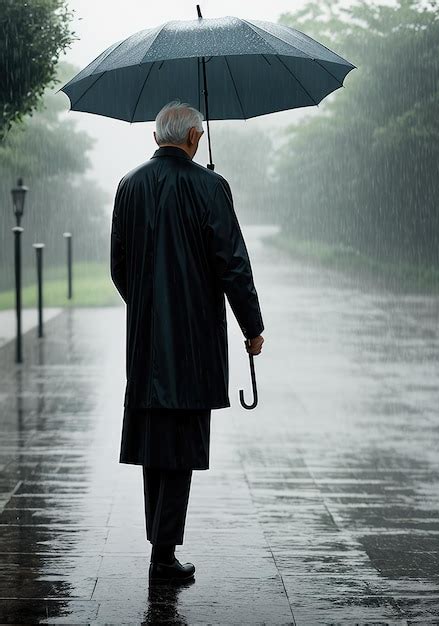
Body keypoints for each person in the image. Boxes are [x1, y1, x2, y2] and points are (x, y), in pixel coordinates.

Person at [110, 100, 265, 583]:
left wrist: (146, 304)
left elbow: (119, 265)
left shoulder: (129, 185)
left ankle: (160, 546)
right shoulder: (210, 187)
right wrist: (252, 326)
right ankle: (163, 556)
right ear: (195, 137)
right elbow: (232, 264)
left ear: (160, 136)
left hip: (145, 341)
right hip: (194, 340)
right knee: (179, 445)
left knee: (157, 443)